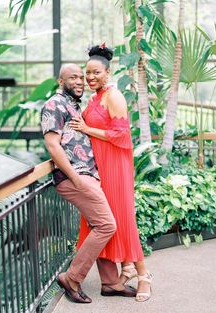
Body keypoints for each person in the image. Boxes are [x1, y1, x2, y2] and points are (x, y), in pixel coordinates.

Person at [41, 63, 136, 304]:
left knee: (99, 223)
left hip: (88, 175)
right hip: (76, 177)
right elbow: (52, 145)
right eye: (73, 77)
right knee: (106, 224)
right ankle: (72, 278)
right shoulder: (54, 104)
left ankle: (110, 282)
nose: (80, 81)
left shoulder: (74, 106)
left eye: (81, 78)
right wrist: (75, 177)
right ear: (61, 81)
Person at [69, 45, 153, 302]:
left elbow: (122, 135)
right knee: (106, 221)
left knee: (124, 220)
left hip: (115, 166)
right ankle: (124, 269)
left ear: (108, 72)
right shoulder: (96, 97)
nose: (91, 77)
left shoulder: (114, 96)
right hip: (99, 168)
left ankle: (144, 276)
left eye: (96, 72)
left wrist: (86, 129)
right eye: (87, 74)